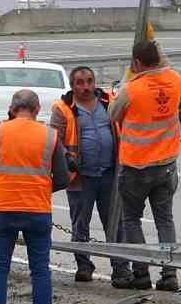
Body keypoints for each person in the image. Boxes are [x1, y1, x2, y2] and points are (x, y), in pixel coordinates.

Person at [0, 88, 70, 304]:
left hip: (2, 208)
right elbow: (62, 178)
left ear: (11, 108)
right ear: (37, 110)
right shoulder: (50, 136)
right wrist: (39, 186)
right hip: (37, 209)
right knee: (40, 269)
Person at [108, 40, 181, 292]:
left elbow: (112, 114)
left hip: (136, 166)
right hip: (167, 164)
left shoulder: (131, 89)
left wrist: (126, 81)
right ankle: (169, 274)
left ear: (136, 63)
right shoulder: (175, 80)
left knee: (132, 220)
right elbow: (166, 66)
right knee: (165, 220)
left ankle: (141, 274)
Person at [49, 66, 130, 284]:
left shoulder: (107, 103)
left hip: (109, 175)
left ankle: (121, 269)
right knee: (80, 224)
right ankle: (84, 266)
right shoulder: (62, 108)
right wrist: (67, 158)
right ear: (72, 85)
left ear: (95, 82)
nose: (86, 86)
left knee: (115, 224)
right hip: (80, 177)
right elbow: (54, 141)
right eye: (80, 82)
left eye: (89, 81)